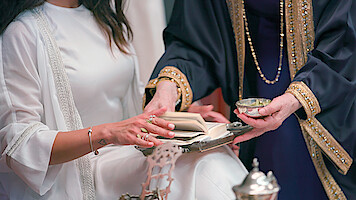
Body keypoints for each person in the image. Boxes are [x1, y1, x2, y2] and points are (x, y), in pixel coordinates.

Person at [0, 0, 248, 199]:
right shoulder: (23, 32)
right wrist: (107, 133)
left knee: (211, 154)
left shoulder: (104, 18)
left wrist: (180, 117)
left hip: (127, 152)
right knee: (204, 167)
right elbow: (18, 145)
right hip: (79, 172)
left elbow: (120, 97)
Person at [143, 0, 356, 199]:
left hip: (325, 95)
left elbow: (345, 36)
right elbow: (194, 36)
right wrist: (169, 86)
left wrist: (298, 98)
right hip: (250, 95)